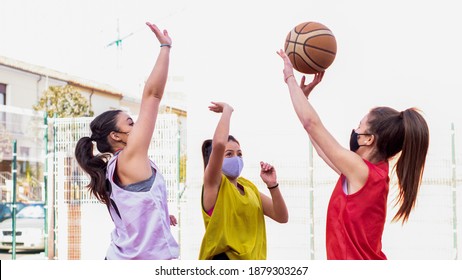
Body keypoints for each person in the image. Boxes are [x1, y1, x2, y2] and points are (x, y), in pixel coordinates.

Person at [277, 50, 429, 260]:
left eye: (360, 126)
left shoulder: (362, 171)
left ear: (369, 139)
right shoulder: (367, 172)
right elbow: (320, 145)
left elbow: (311, 124)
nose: (355, 130)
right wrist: (303, 98)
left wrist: (289, 78)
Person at [74, 22, 179, 260]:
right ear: (116, 136)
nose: (136, 125)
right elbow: (152, 95)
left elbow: (134, 209)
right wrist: (165, 47)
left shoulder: (113, 167)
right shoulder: (131, 157)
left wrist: (160, 215)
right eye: (130, 123)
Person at [198, 102, 289, 260]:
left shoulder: (248, 188)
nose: (236, 158)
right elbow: (219, 144)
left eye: (239, 154)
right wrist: (227, 110)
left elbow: (282, 217)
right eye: (229, 154)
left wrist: (272, 185)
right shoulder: (214, 184)